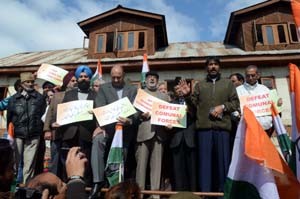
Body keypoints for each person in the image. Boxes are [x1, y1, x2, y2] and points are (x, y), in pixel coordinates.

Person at [177, 57, 240, 193]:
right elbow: (193, 110)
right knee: (205, 165)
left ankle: (223, 193)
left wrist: (223, 107)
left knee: (223, 164)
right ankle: (205, 194)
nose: (213, 67)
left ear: (219, 67)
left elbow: (235, 104)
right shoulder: (200, 85)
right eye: (210, 64)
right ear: (206, 68)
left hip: (222, 130)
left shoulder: (228, 84)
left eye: (215, 64)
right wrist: (188, 95)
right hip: (204, 131)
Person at [91, 65, 138, 199]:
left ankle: (117, 188)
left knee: (120, 158)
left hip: (125, 132)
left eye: (119, 77)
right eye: (113, 77)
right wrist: (100, 126)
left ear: (124, 76)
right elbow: (100, 107)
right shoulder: (104, 89)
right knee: (97, 139)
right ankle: (97, 181)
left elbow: (136, 111)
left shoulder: (133, 89)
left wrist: (129, 121)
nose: (116, 80)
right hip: (108, 128)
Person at [59, 66, 97, 184]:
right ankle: (67, 187)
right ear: (77, 78)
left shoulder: (96, 95)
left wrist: (95, 112)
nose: (83, 78)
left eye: (86, 77)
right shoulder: (69, 94)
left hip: (87, 134)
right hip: (70, 134)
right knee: (69, 161)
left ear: (89, 79)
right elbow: (63, 112)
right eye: (80, 76)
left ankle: (84, 188)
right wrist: (58, 121)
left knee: (85, 162)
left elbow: (100, 113)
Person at [7, 72, 46, 184]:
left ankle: (26, 190)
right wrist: (11, 135)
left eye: (32, 82)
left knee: (29, 167)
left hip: (33, 136)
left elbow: (43, 116)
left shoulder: (39, 98)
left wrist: (40, 133)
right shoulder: (13, 99)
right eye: (27, 82)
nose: (30, 84)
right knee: (14, 164)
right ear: (22, 83)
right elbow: (9, 119)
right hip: (17, 135)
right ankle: (12, 189)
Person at [135, 71, 169, 197]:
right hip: (144, 133)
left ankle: (155, 195)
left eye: (154, 78)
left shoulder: (164, 96)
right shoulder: (140, 95)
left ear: (158, 80)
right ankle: (140, 194)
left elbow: (168, 114)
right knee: (141, 167)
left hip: (159, 134)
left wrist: (169, 123)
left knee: (157, 168)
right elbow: (133, 114)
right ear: (146, 80)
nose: (152, 79)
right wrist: (140, 115)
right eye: (150, 77)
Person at [43, 71, 76, 180]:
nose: (74, 83)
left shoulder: (79, 97)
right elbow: (49, 114)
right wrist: (47, 129)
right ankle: (53, 182)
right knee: (55, 160)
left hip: (73, 135)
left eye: (76, 81)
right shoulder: (57, 96)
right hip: (57, 134)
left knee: (69, 161)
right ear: (66, 82)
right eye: (72, 81)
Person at [169, 77, 197, 192]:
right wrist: (167, 126)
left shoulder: (192, 101)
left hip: (190, 139)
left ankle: (193, 193)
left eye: (182, 88)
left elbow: (196, 112)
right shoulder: (170, 104)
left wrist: (188, 98)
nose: (180, 90)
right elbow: (164, 120)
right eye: (177, 89)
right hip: (176, 139)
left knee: (192, 170)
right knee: (177, 170)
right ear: (174, 91)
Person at [236, 65, 273, 136]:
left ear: (258, 75)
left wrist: (278, 103)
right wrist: (237, 114)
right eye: (248, 76)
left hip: (265, 127)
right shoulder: (238, 90)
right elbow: (234, 107)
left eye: (252, 75)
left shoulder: (265, 89)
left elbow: (273, 105)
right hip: (247, 129)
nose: (250, 78)